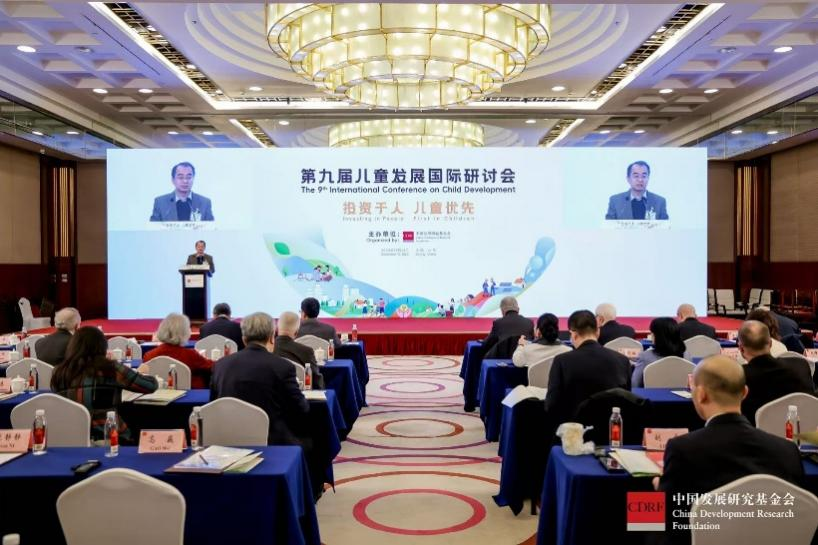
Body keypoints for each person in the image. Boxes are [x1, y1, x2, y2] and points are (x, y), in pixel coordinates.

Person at [656, 355, 805, 544]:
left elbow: (670, 517)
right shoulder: (787, 450)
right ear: (744, 392)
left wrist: (658, 489)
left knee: (642, 509)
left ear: (701, 394)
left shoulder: (683, 449)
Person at [211, 312, 309, 446]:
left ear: (244, 339)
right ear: (272, 337)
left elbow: (214, 404)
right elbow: (301, 408)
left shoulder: (220, 365)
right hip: (273, 442)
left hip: (227, 440)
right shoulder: (283, 367)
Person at [51, 326, 158, 443]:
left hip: (71, 437)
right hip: (110, 436)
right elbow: (150, 386)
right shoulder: (110, 368)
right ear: (102, 346)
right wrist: (141, 373)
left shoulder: (60, 372)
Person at [544, 310, 631, 428]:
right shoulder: (622, 360)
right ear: (598, 332)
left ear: (573, 334)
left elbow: (551, 406)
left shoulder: (562, 361)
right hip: (609, 432)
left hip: (574, 433)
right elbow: (627, 403)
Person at [737, 320, 814, 424]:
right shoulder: (801, 365)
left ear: (741, 349)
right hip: (804, 430)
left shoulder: (740, 376)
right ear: (770, 343)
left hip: (758, 433)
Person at [143, 313, 213, 389]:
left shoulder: (149, 355)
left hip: (157, 393)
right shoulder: (190, 355)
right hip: (190, 393)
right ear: (184, 332)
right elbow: (211, 366)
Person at [273, 311, 324, 390]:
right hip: (300, 394)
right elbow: (317, 382)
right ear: (296, 332)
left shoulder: (266, 350)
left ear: (276, 329)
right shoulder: (306, 351)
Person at [631, 317, 687, 387]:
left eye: (652, 333)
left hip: (651, 394)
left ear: (657, 336)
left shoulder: (645, 357)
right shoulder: (686, 355)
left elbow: (635, 384)